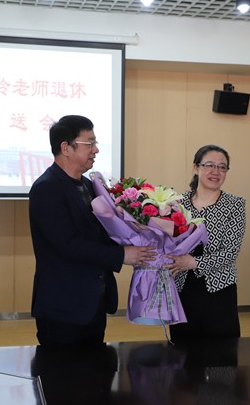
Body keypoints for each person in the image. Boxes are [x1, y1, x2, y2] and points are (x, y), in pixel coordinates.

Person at [29, 114, 156, 347]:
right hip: (63, 306)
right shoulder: (46, 188)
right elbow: (67, 244)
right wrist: (122, 255)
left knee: (94, 366)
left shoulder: (89, 185)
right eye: (90, 143)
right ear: (66, 148)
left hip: (94, 302)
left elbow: (102, 233)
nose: (96, 150)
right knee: (61, 369)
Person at [164, 144, 246, 342]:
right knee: (183, 348)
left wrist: (193, 262)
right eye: (209, 165)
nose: (215, 171)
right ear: (196, 167)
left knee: (222, 351)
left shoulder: (235, 205)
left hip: (219, 289)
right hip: (182, 286)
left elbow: (231, 251)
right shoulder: (177, 203)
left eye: (222, 167)